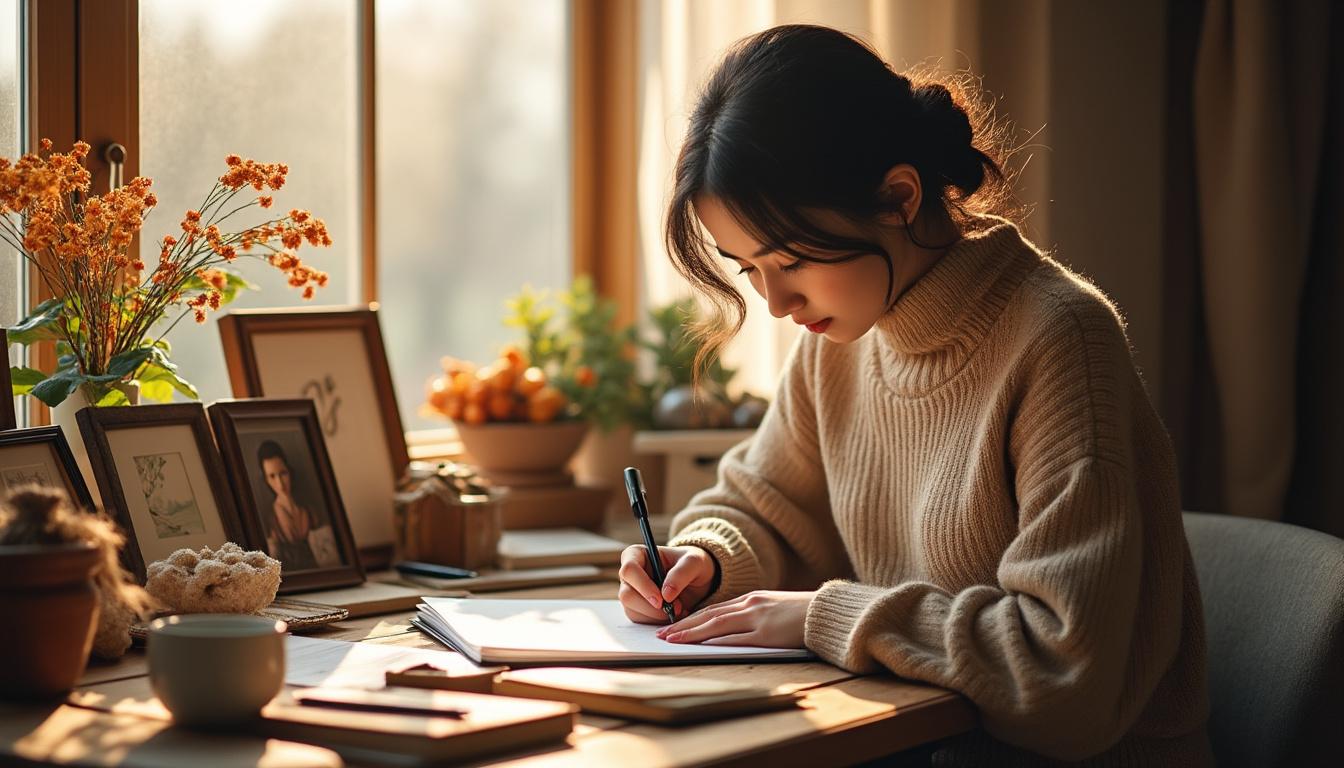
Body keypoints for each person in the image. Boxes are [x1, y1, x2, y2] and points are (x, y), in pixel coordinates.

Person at [617, 24, 1210, 765]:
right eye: (748, 270)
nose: (774, 302)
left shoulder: (1062, 341)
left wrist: (826, 618)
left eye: (791, 259)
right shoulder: (837, 346)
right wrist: (703, 558)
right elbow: (761, 505)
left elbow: (1065, 678)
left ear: (898, 196)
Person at [256, 440, 340, 570]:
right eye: (272, 476)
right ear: (266, 480)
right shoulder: (269, 520)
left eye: (283, 473)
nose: (280, 483)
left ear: (289, 471)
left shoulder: (310, 511)